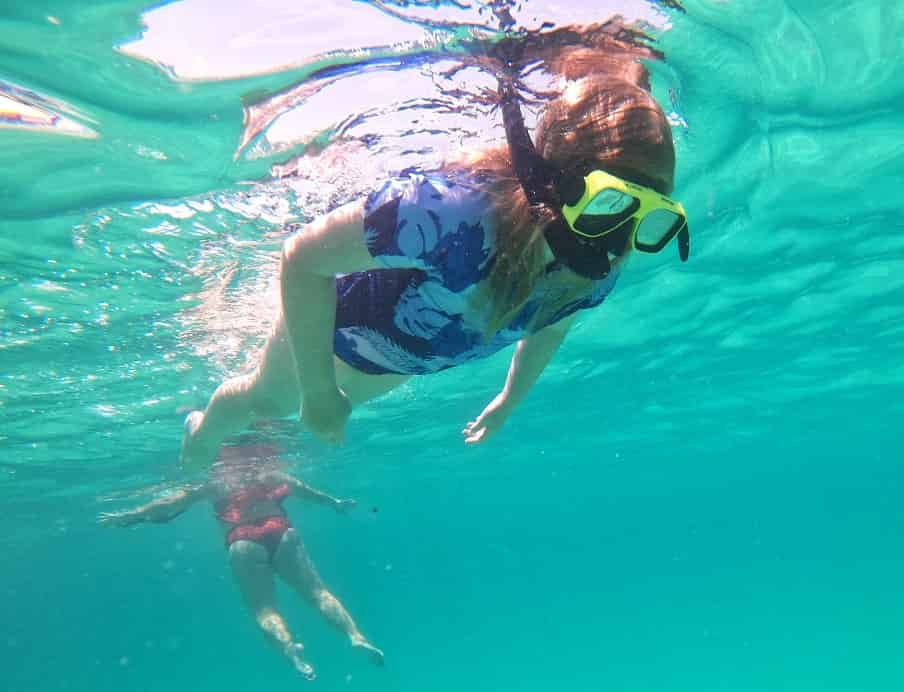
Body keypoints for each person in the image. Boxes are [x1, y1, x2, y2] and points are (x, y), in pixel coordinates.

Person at [179, 23, 691, 468]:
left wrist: (509, 400)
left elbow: (551, 323)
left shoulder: (603, 254)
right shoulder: (455, 211)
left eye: (652, 215)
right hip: (339, 322)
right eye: (611, 203)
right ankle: (203, 432)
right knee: (270, 401)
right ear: (549, 180)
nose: (622, 235)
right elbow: (303, 257)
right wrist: (316, 390)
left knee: (335, 408)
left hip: (399, 359)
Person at [99, 446, 384, 680]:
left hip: (242, 541)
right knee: (318, 593)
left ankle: (290, 650)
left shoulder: (214, 483)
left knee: (264, 609)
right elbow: (300, 488)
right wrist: (333, 502)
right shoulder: (267, 472)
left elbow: (169, 504)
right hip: (281, 530)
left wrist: (131, 516)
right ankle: (354, 636)